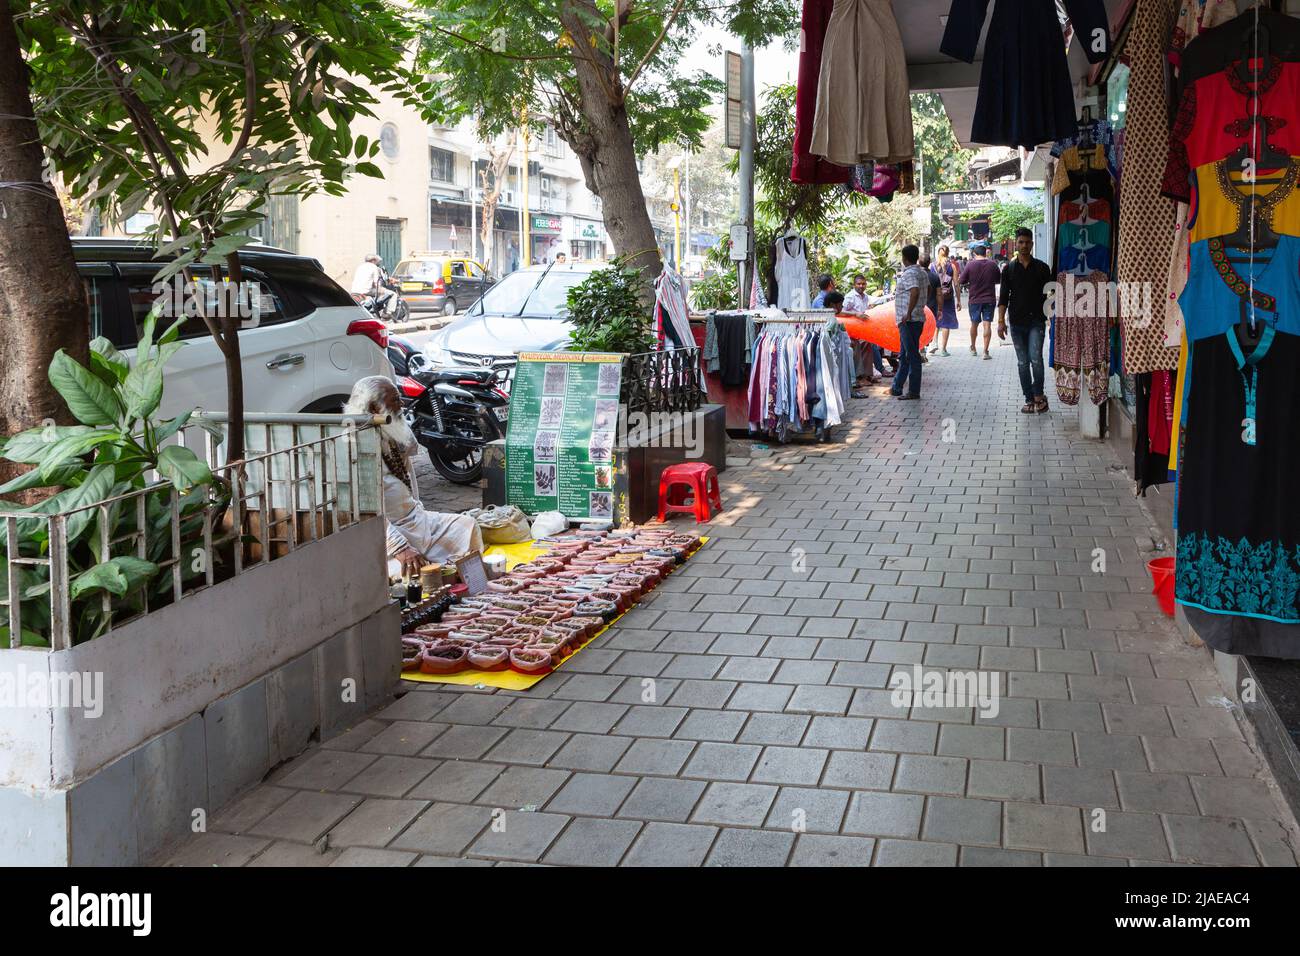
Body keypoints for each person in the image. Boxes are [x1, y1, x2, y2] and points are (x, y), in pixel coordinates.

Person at [344, 376, 484, 577]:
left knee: (466, 526)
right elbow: (367, 516)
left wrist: (396, 423)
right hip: (387, 534)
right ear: (374, 408)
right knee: (400, 575)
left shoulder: (387, 430)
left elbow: (410, 454)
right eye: (394, 401)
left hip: (417, 521)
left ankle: (462, 578)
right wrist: (399, 547)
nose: (401, 405)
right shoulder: (355, 448)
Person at [997, 227, 1054, 414]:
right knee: (1022, 362)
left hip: (1037, 321)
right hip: (1016, 322)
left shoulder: (1042, 268)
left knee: (1036, 359)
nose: (1024, 245)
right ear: (1016, 244)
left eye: (1027, 242)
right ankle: (1028, 399)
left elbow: (1052, 294)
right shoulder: (1009, 269)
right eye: (1021, 242)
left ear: (1032, 244)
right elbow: (1003, 297)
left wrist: (1052, 318)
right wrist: (1000, 321)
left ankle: (1038, 395)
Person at [890, 245, 927, 401]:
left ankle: (913, 391)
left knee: (911, 355)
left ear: (905, 258)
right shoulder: (922, 272)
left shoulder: (910, 273)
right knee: (905, 354)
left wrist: (909, 312)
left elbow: (915, 291)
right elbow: (926, 290)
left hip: (909, 320)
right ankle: (896, 387)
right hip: (915, 318)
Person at [843, 273, 887, 385]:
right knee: (864, 346)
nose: (861, 286)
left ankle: (868, 375)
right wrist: (855, 314)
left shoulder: (865, 297)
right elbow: (840, 312)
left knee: (871, 344)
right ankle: (860, 377)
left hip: (863, 330)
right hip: (852, 331)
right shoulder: (850, 297)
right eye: (859, 284)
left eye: (863, 284)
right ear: (854, 285)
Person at [959, 243, 999, 360]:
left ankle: (973, 347)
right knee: (987, 324)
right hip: (989, 299)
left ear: (975, 254)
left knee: (974, 324)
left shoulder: (970, 265)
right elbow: (998, 280)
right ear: (985, 253)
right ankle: (985, 352)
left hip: (974, 300)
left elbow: (961, 281)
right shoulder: (993, 264)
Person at [929, 244, 960, 356]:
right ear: (948, 253)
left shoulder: (932, 266)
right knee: (946, 323)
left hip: (935, 297)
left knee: (935, 320)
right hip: (948, 297)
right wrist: (959, 300)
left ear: (938, 253)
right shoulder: (952, 266)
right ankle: (943, 349)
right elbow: (956, 284)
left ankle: (934, 343)